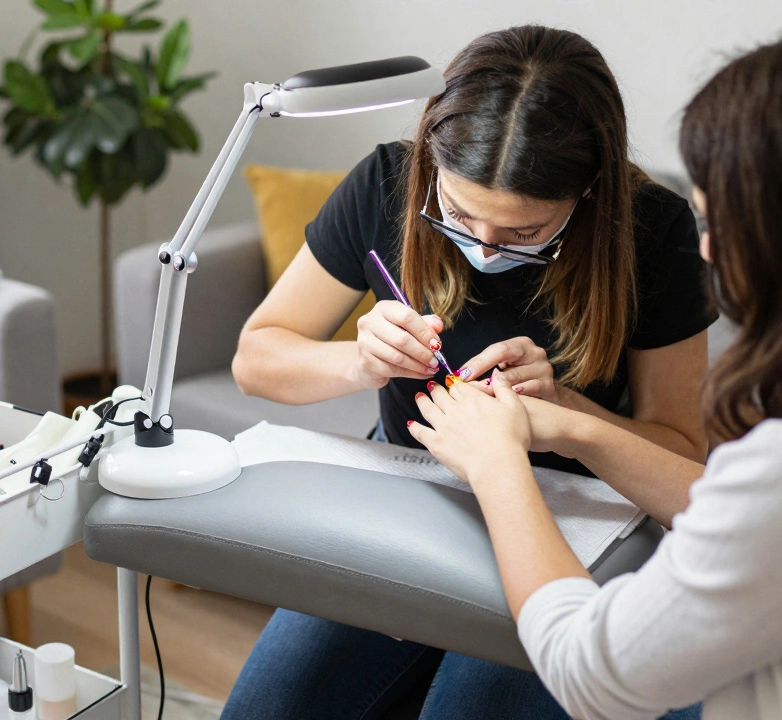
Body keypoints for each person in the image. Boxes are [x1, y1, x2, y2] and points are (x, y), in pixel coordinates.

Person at [409, 21, 782, 719]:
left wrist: (497, 464)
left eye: (715, 222)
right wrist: (573, 424)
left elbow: (589, 674)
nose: (712, 251)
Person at [225, 25, 713, 719]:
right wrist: (359, 361)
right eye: (457, 215)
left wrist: (568, 416)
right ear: (431, 161)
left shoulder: (655, 234)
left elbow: (682, 455)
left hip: (572, 522)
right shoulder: (389, 182)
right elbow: (257, 359)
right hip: (410, 500)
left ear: (589, 191)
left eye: (522, 233)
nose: (482, 248)